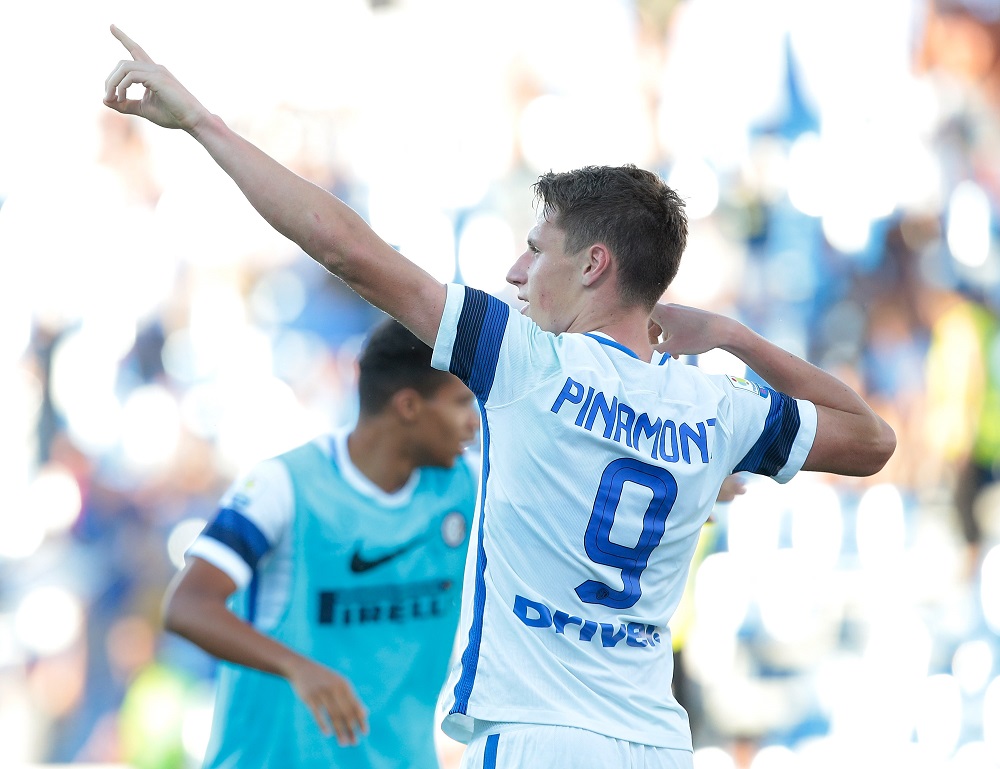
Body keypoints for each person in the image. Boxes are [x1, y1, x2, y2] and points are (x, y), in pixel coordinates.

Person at [105, 26, 896, 769]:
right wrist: (736, 336)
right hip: (657, 742)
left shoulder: (523, 362)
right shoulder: (718, 407)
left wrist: (203, 124)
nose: (518, 273)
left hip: (538, 737)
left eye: (535, 249)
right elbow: (871, 440)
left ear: (592, 265)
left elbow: (345, 248)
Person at [161, 318, 479, 768]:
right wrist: (298, 667)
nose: (474, 421)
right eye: (461, 402)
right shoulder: (283, 486)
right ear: (409, 406)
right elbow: (187, 605)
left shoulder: (470, 489)